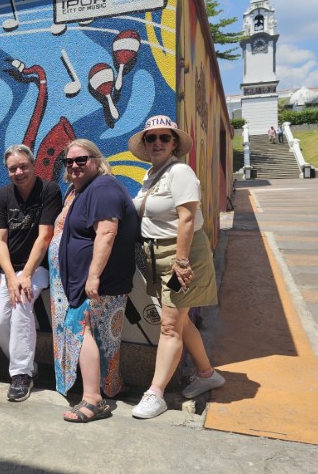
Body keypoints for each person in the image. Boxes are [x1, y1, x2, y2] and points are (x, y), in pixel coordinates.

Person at [127, 115, 225, 419]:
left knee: (169, 324)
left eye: (164, 137)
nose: (157, 143)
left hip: (182, 257)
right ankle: (207, 374)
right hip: (158, 256)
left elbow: (187, 217)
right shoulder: (151, 175)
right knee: (178, 319)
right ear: (145, 144)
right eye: (151, 138)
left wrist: (181, 261)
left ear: (174, 143)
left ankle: (155, 393)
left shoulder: (180, 172)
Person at [55, 139, 138, 423]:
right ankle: (112, 386)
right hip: (89, 283)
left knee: (79, 329)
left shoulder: (102, 187)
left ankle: (93, 399)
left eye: (82, 160)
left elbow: (107, 233)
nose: (75, 166)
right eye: (69, 161)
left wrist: (93, 276)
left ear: (97, 160)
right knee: (100, 338)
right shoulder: (85, 190)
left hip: (99, 282)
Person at [0, 145, 61, 402]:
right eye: (13, 169)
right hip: (9, 270)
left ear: (33, 165)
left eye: (23, 166)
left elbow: (45, 236)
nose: (18, 172)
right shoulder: (2, 196)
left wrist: (26, 275)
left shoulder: (48, 190)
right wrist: (11, 277)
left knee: (21, 305)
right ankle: (29, 366)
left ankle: (21, 375)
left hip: (37, 266)